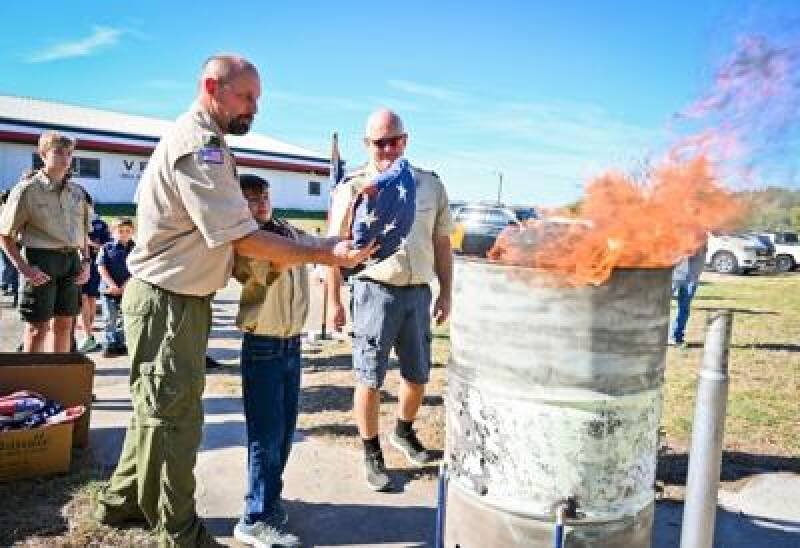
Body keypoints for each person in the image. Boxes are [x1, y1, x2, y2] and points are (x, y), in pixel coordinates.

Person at [93, 54, 373, 548]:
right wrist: (325, 250)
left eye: (257, 99)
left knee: (155, 412)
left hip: (179, 301)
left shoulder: (211, 141)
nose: (255, 109)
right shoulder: (200, 145)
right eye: (247, 97)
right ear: (212, 87)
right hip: (167, 303)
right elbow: (243, 237)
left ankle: (124, 503)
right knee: (172, 421)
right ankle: (179, 532)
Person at [326, 109, 454, 491]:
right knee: (370, 378)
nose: (387, 148)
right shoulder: (352, 187)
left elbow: (442, 243)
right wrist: (333, 301)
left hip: (417, 293)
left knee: (417, 376)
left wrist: (446, 290)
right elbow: (334, 248)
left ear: (405, 140)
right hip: (374, 292)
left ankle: (403, 430)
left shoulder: (429, 185)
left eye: (393, 140)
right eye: (379, 142)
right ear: (367, 144)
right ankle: (372, 451)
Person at [232, 173, 328, 547]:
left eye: (264, 197)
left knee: (285, 432)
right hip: (263, 346)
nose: (261, 205)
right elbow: (272, 265)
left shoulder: (285, 229)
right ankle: (253, 517)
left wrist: (337, 242)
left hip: (291, 344)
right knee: (265, 435)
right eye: (252, 199)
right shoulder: (245, 241)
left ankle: (268, 499)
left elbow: (316, 243)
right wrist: (311, 250)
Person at [0, 132, 91, 352]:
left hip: (71, 262)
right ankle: (32, 383)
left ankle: (57, 378)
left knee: (65, 326)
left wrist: (86, 263)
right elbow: (5, 234)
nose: (65, 158)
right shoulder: (26, 190)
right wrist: (24, 268)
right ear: (42, 155)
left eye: (69, 153)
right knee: (37, 329)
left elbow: (83, 234)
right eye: (58, 152)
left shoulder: (77, 193)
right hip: (41, 260)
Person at [77, 194, 111, 352]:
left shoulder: (100, 224)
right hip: (76, 264)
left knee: (89, 298)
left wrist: (89, 243)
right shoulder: (76, 221)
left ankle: (87, 333)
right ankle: (87, 333)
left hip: (92, 266)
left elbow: (106, 245)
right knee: (84, 299)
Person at [96, 217, 135, 357]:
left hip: (128, 289)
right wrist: (112, 285)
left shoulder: (135, 249)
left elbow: (137, 269)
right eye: (120, 231)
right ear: (113, 232)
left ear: (132, 232)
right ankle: (109, 344)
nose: (124, 233)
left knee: (125, 317)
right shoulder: (106, 248)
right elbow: (101, 267)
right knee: (109, 317)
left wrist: (125, 285)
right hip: (108, 290)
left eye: (127, 231)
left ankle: (120, 343)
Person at [670, 240, 707, 347]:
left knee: (684, 308)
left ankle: (676, 337)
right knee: (661, 305)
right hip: (674, 275)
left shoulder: (703, 236)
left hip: (691, 278)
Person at [0, 190, 20, 305]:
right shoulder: (9, 210)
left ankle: (8, 286)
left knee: (10, 265)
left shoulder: (6, 209)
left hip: (8, 242)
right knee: (12, 266)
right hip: (11, 241)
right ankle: (10, 287)